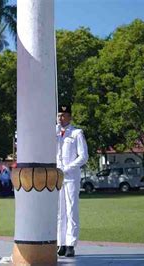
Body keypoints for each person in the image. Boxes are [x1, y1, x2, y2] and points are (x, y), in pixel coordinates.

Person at [56, 104, 88, 257]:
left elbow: (83, 156)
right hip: (57, 177)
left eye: (63, 115)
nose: (61, 118)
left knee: (71, 210)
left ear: (69, 117)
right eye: (59, 115)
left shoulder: (76, 133)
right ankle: (60, 243)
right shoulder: (55, 133)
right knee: (59, 212)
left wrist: (67, 168)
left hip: (70, 176)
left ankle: (70, 243)